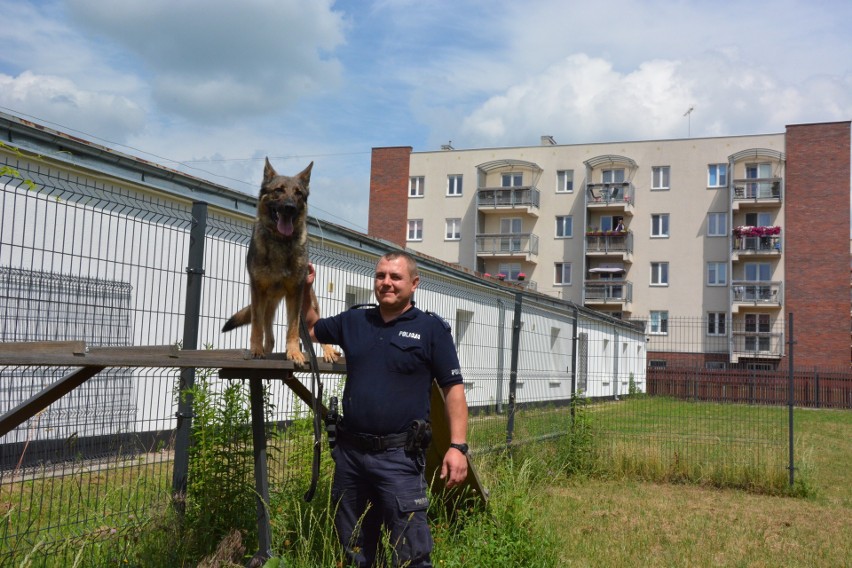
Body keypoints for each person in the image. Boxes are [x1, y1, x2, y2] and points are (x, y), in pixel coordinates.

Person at [302, 251, 469, 567]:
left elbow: (453, 390)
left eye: (395, 277)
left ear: (414, 283)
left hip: (399, 458)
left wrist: (458, 447)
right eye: (381, 276)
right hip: (351, 456)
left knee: (411, 553)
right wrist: (306, 287)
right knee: (354, 550)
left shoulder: (431, 329)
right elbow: (311, 329)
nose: (386, 283)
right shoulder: (355, 321)